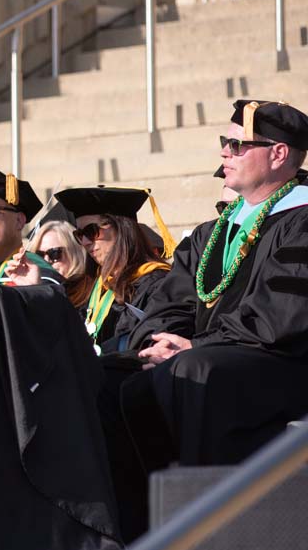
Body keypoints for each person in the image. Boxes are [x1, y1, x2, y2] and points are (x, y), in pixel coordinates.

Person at [102, 100, 308, 539]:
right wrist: (163, 340)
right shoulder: (212, 232)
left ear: (278, 154)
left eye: (236, 144)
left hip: (286, 365)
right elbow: (169, 302)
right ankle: (132, 532)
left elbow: (282, 314)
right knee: (109, 376)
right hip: (211, 356)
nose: (224, 153)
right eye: (224, 143)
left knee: (198, 371)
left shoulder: (303, 221)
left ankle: (208, 531)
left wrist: (197, 346)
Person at [54, 186, 175, 354]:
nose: (85, 242)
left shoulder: (157, 284)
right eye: (79, 234)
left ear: (121, 228)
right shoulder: (83, 287)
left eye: (91, 231)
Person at [27, 220, 94, 308]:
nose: (46, 261)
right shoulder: (35, 292)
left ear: (75, 252)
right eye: (39, 255)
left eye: (54, 253)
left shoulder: (92, 291)